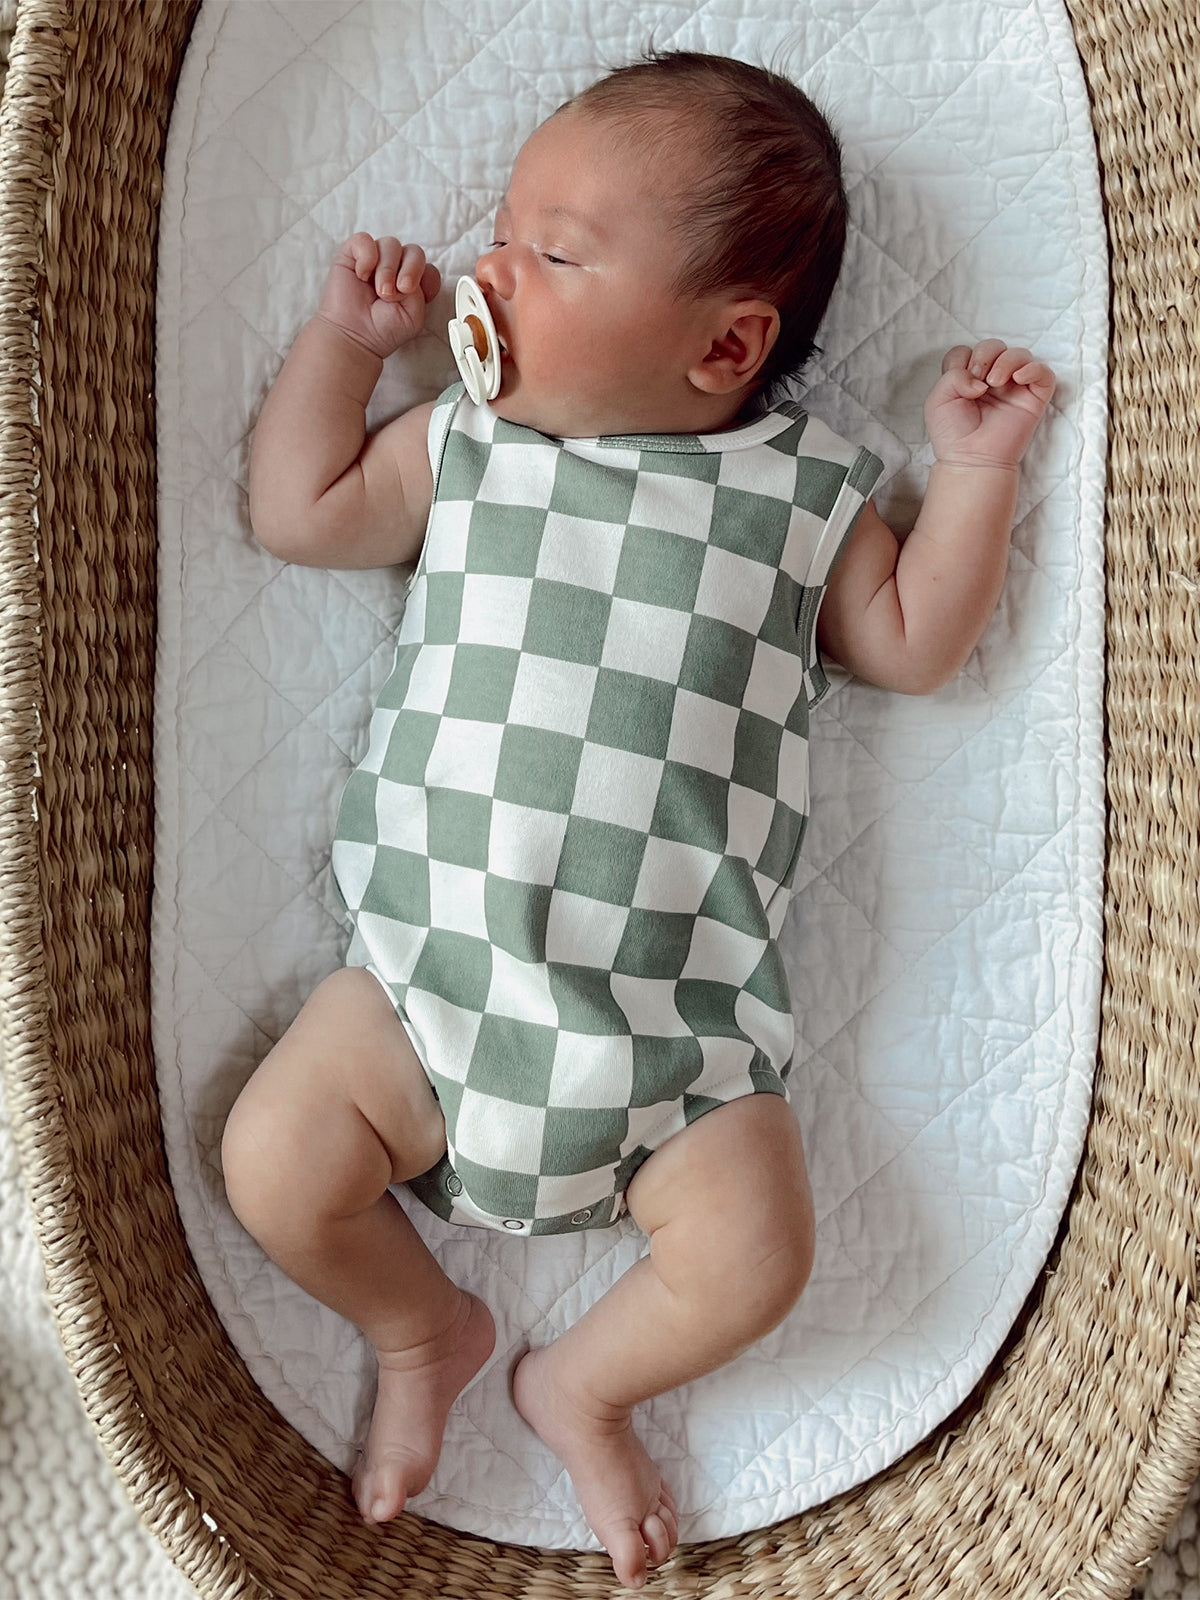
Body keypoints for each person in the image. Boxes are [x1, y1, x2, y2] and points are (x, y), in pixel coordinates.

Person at [222, 51, 1056, 1590]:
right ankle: (426, 1326)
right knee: (275, 1160)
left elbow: (915, 647)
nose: (493, 269)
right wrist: (351, 346)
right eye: (504, 231)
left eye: (552, 253)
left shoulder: (799, 491)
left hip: (678, 1045)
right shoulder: (470, 449)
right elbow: (299, 509)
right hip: (426, 996)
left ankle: (583, 1383)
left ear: (726, 344)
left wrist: (973, 471)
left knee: (759, 1254)